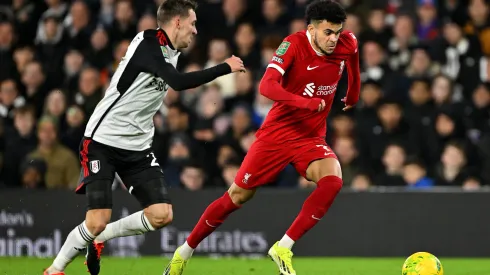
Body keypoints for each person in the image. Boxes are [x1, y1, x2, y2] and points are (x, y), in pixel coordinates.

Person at [43, 0, 245, 274]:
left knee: (162, 214)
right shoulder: (148, 44)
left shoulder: (173, 51)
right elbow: (178, 83)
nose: (195, 31)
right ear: (177, 22)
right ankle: (55, 269)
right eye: (192, 23)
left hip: (136, 146)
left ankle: (100, 239)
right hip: (103, 141)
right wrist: (225, 67)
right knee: (96, 220)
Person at [165, 1, 360, 274]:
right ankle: (183, 252)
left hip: (310, 136)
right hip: (277, 134)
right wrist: (304, 103)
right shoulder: (292, 45)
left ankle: (283, 247)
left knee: (333, 180)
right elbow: (267, 86)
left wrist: (352, 93)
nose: (333, 39)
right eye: (328, 32)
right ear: (311, 29)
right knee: (237, 197)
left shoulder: (346, 42)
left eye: (337, 32)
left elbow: (352, 58)